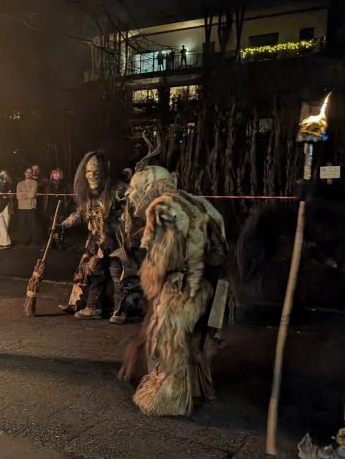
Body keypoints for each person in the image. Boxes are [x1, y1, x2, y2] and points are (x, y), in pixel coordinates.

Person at [119, 164, 227, 416]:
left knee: (168, 344)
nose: (131, 195)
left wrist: (150, 279)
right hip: (211, 287)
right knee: (194, 342)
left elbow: (162, 260)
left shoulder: (161, 207)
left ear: (147, 187)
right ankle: (200, 390)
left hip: (181, 289)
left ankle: (170, 399)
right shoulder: (196, 201)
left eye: (134, 188)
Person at [56, 152, 127, 320]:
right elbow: (80, 213)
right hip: (96, 241)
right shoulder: (89, 195)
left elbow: (132, 211)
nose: (92, 175)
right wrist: (63, 225)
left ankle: (120, 311)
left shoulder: (119, 190)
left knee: (119, 274)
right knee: (93, 272)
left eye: (96, 171)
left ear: (104, 171)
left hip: (117, 239)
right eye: (88, 172)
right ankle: (92, 307)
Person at [15, 167, 41, 247]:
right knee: (22, 226)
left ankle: (34, 242)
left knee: (32, 226)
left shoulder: (34, 183)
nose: (28, 174)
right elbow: (18, 197)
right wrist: (28, 194)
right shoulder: (20, 184)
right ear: (24, 173)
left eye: (30, 172)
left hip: (31, 207)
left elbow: (32, 195)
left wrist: (24, 193)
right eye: (27, 172)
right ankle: (22, 242)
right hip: (21, 207)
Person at [0, 170, 14, 249]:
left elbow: (11, 195)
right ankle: (7, 242)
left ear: (7, 175)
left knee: (6, 223)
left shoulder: (10, 184)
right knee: (1, 223)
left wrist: (7, 195)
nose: (3, 175)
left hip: (7, 205)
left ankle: (1, 242)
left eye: (4, 174)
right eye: (1, 174)